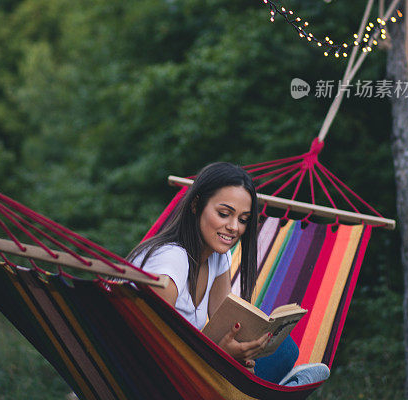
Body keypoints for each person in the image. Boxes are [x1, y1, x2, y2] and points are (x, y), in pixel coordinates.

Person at [129, 162, 330, 386]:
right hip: (155, 377)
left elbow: (227, 323)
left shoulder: (217, 256)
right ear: (196, 205)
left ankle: (267, 389)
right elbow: (146, 349)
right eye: (224, 214)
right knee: (278, 356)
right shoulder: (170, 263)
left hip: (194, 366)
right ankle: (278, 387)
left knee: (283, 349)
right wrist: (218, 357)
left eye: (243, 219)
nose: (234, 227)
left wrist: (242, 354)